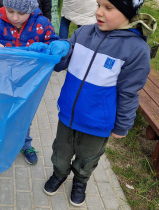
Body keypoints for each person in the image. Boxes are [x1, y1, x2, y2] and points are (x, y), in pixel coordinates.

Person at [29, 0, 156, 206]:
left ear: (127, 12)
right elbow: (62, 64)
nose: (98, 12)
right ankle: (59, 174)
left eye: (108, 8)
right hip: (68, 113)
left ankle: (80, 181)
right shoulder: (83, 33)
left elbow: (129, 92)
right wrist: (55, 51)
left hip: (98, 122)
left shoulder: (136, 49)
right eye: (98, 5)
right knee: (60, 151)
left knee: (88, 158)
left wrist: (122, 125)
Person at [0, 0, 60, 164]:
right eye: (10, 11)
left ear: (31, 9)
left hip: (27, 83)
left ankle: (24, 143)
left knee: (23, 115)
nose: (15, 17)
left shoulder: (42, 23)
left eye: (21, 13)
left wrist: (45, 47)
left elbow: (54, 45)